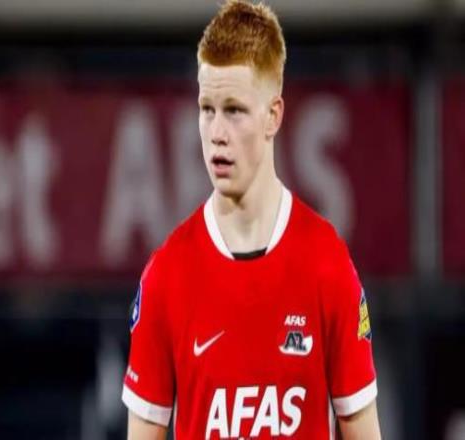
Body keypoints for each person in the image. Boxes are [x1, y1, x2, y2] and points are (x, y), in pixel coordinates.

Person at [122, 0, 382, 438]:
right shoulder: (167, 276)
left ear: (273, 115)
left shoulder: (326, 264)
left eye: (234, 110)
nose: (216, 133)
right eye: (207, 109)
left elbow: (363, 428)